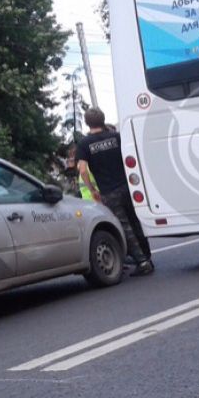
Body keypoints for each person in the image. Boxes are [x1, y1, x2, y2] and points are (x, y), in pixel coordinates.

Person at [76, 108, 154, 276]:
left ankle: (142, 261)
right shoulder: (115, 137)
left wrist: (92, 190)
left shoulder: (84, 144)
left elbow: (82, 170)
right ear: (103, 120)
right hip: (127, 187)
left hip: (108, 191)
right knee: (135, 221)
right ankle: (147, 256)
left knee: (124, 226)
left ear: (87, 122)